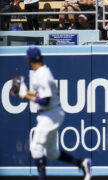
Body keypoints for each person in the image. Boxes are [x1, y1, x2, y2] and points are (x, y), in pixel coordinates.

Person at [12, 47, 92, 180]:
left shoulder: (42, 74)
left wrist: (25, 96)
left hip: (50, 114)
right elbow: (40, 94)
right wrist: (25, 92)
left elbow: (45, 100)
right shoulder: (41, 72)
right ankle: (82, 163)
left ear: (29, 60)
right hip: (52, 113)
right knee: (52, 153)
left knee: (36, 148)